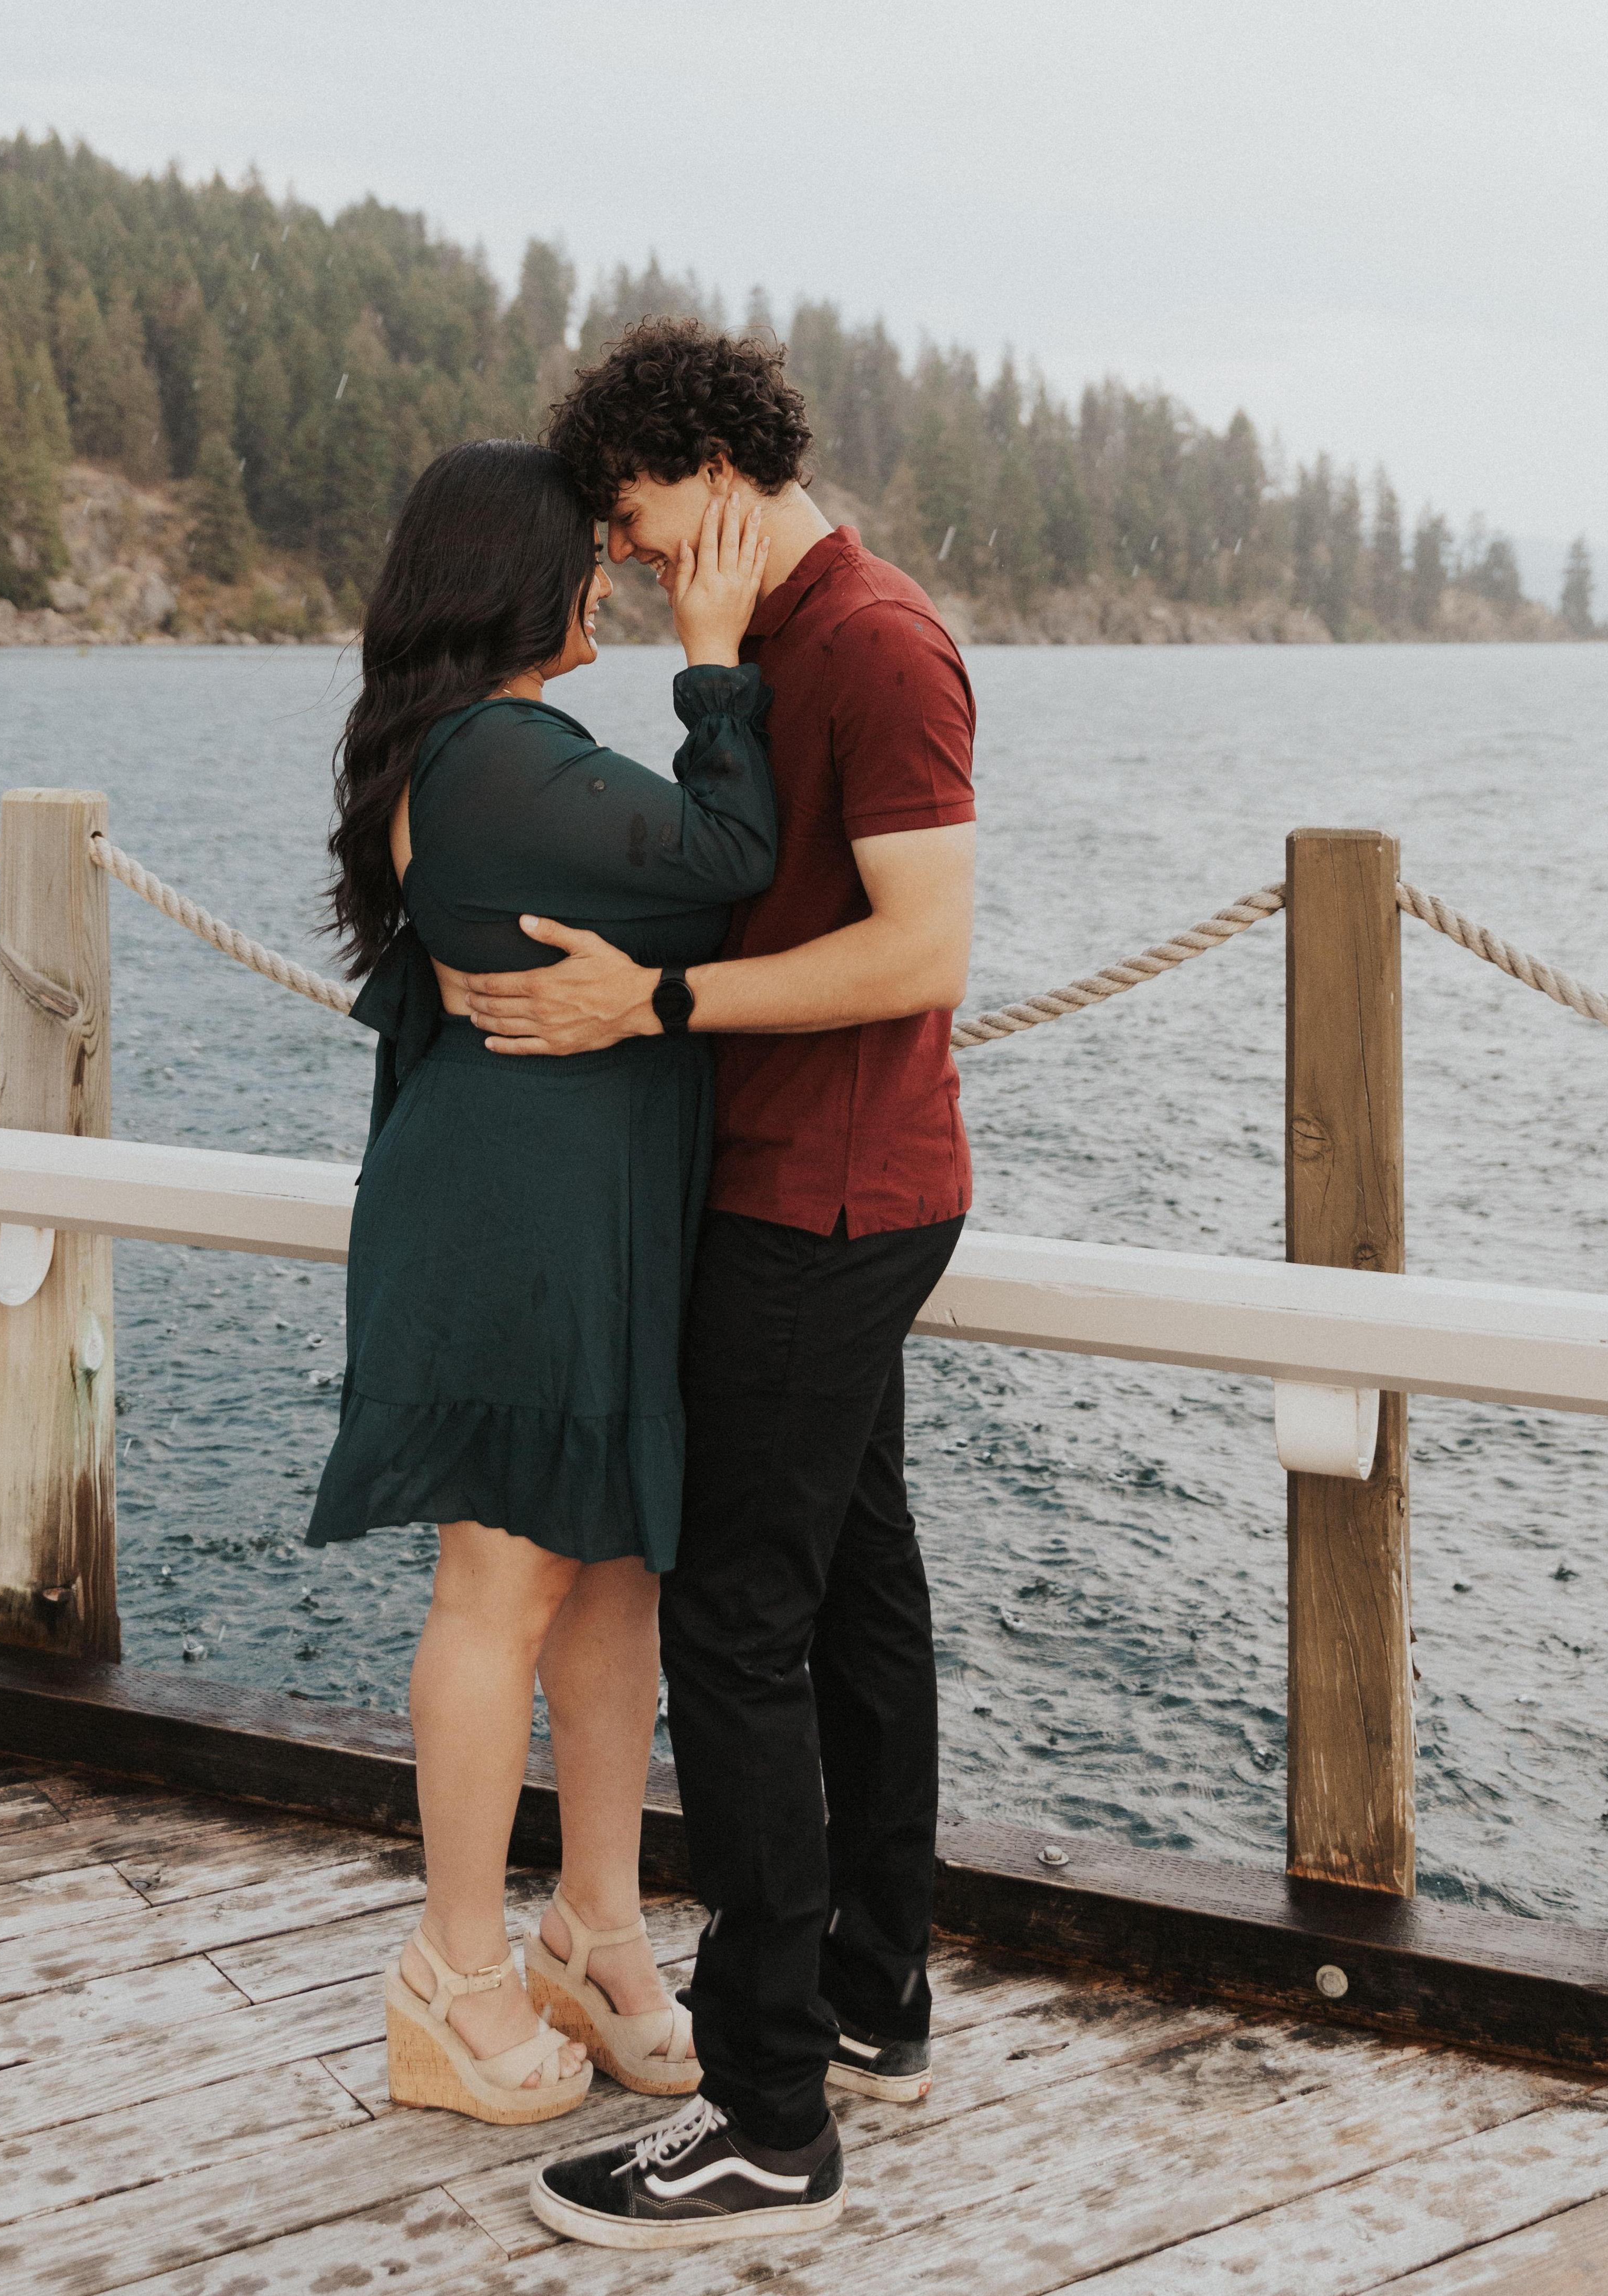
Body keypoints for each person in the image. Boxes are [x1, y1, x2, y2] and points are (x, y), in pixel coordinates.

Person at [462, 323, 977, 2249]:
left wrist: (654, 998)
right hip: (805, 1185)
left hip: (823, 1203)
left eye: (632, 514)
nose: (621, 554)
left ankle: (767, 2117)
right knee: (850, 1590)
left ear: (717, 463)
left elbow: (923, 949)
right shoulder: (766, 634)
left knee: (741, 1624)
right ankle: (869, 2000)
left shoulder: (875, 643)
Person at [308, 439, 778, 2128]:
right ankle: (452, 1969)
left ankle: (595, 1922)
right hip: (513, 1224)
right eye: (585, 555)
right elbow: (730, 851)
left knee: (614, 1576)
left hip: (589, 1210)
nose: (609, 575)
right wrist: (714, 656)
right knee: (501, 1587)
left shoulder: (477, 748)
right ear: (517, 577)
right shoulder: (500, 752)